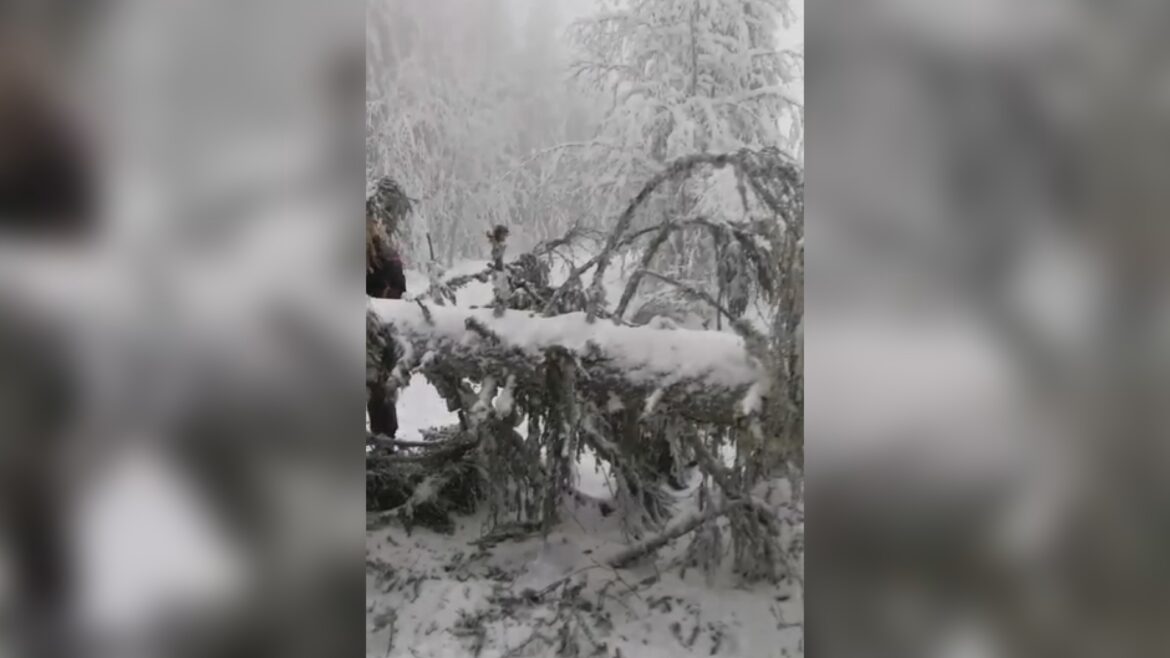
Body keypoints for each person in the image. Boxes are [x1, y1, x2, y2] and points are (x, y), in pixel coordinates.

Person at [366, 196, 406, 438]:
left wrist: (375, 301)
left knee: (380, 398)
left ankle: (385, 449)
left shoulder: (386, 254)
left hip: (379, 339)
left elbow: (399, 290)